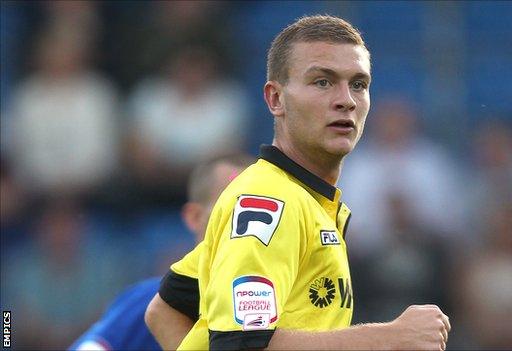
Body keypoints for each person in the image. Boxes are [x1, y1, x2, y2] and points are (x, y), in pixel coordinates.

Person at [146, 15, 451, 350]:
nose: (345, 100)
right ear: (276, 99)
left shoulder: (306, 200)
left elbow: (167, 309)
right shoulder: (268, 201)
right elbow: (241, 345)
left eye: (359, 84)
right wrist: (390, 337)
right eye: (322, 82)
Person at [68, 153, 254, 350]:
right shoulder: (146, 302)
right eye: (228, 210)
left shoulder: (277, 306)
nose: (243, 224)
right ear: (195, 217)